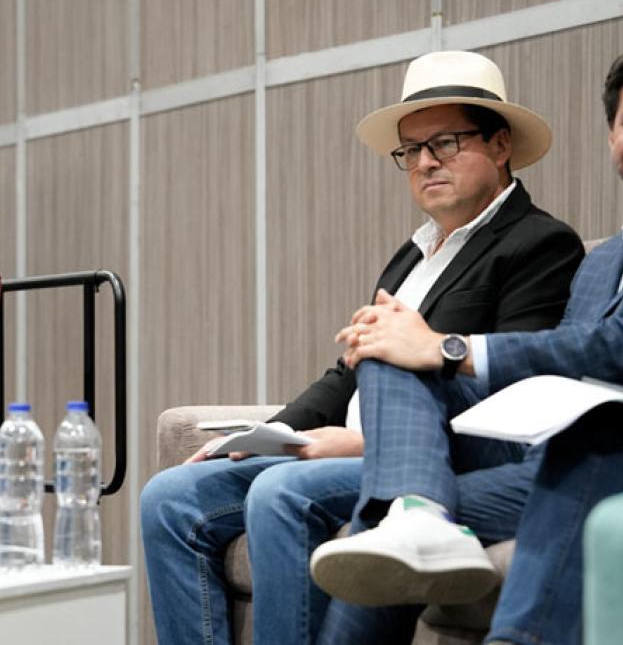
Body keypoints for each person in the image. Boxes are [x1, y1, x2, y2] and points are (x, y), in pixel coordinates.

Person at [311, 35, 623, 645]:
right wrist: (409, 345)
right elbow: (560, 369)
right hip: (543, 445)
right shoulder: (607, 259)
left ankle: (411, 515)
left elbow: (622, 349)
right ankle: (415, 509)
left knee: (380, 521)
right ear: (612, 140)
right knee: (390, 350)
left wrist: (450, 347)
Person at [140, 52, 584, 645]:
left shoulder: (539, 246)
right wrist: (270, 434)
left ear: (500, 145)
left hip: (425, 460)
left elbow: (509, 397)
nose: (425, 162)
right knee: (168, 499)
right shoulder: (412, 254)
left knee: (280, 492)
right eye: (411, 150)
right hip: (339, 448)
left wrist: (354, 442)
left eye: (446, 143)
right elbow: (345, 373)